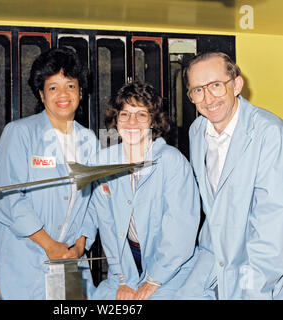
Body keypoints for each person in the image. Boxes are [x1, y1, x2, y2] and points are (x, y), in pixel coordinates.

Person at [0, 47, 98, 299]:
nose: (63, 94)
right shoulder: (19, 133)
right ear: (41, 94)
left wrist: (81, 243)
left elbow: (93, 200)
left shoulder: (89, 140)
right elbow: (7, 197)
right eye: (53, 87)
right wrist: (49, 245)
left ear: (81, 92)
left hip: (71, 260)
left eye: (70, 86)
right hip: (27, 258)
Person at [175, 52, 283, 300]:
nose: (208, 98)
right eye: (198, 90)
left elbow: (271, 229)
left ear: (236, 85)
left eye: (215, 85)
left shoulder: (269, 133)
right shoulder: (197, 131)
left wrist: (253, 291)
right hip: (213, 256)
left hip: (257, 266)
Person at [88, 81, 200, 300]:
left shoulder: (172, 161)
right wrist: (123, 279)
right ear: (116, 119)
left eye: (141, 114)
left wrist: (153, 280)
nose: (132, 122)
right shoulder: (103, 161)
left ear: (153, 121)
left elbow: (180, 229)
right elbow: (107, 225)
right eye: (125, 114)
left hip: (171, 264)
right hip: (124, 261)